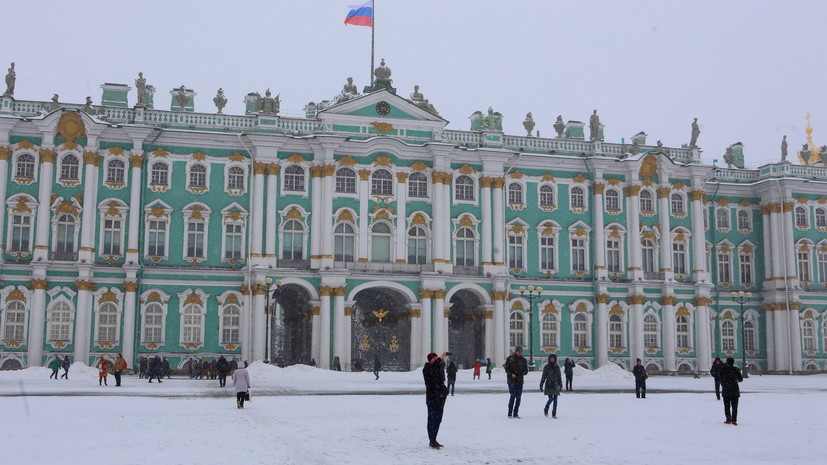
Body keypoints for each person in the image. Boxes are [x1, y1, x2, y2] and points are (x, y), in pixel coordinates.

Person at [422, 352, 448, 449]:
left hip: (440, 398)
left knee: (438, 420)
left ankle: (434, 439)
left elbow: (441, 380)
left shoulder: (439, 367)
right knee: (432, 420)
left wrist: (445, 391)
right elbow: (432, 377)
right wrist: (439, 360)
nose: (436, 360)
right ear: (430, 360)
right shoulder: (427, 368)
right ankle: (432, 441)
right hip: (432, 398)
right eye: (434, 359)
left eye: (436, 358)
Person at [504, 346, 528, 418]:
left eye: (521, 351)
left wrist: (522, 373)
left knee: (518, 397)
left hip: (520, 380)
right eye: (518, 351)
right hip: (511, 380)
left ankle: (516, 412)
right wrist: (511, 374)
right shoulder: (510, 359)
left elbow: (526, 370)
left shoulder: (523, 360)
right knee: (512, 395)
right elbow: (506, 368)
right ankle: (510, 412)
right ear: (515, 351)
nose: (519, 352)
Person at [719, 357, 743, 425]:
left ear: (727, 362)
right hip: (734, 390)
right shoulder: (736, 369)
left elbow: (720, 378)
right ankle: (734, 420)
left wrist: (723, 383)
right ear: (733, 362)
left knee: (727, 406)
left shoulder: (723, 369)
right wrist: (736, 380)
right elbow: (741, 379)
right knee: (734, 407)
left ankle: (728, 419)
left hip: (726, 390)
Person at [539, 354, 563, 418]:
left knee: (555, 399)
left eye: (553, 358)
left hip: (555, 384)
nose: (552, 359)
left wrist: (561, 384)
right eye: (551, 358)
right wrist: (541, 384)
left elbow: (559, 376)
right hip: (549, 383)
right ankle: (546, 408)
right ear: (549, 359)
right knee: (551, 398)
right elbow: (543, 376)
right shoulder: (546, 367)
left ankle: (554, 413)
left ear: (555, 359)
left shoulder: (557, 367)